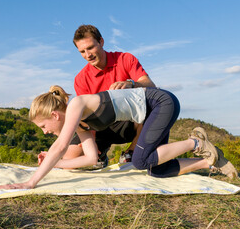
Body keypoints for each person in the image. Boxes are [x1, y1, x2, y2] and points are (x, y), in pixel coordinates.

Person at [0, 85, 238, 190]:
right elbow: (91, 159)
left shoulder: (77, 104)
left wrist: (31, 182)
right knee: (157, 170)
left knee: (141, 160)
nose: (44, 131)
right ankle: (210, 161)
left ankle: (197, 142)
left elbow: (60, 145)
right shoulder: (81, 122)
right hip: (152, 113)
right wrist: (58, 164)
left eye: (43, 125)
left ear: (53, 115)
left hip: (161, 103)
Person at [41, 24, 156, 166]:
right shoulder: (81, 79)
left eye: (90, 48)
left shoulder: (125, 59)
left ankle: (131, 152)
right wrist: (92, 145)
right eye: (82, 51)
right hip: (101, 127)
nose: (87, 55)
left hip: (130, 123)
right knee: (69, 160)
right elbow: (87, 116)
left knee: (150, 104)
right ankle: (101, 155)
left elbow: (150, 85)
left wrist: (131, 84)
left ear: (101, 42)